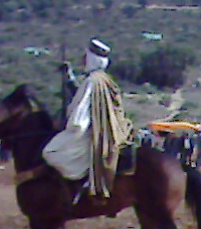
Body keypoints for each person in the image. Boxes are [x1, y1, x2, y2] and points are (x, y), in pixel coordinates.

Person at [42, 38, 135, 200]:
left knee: (51, 152)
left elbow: (80, 114)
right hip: (110, 127)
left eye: (85, 57)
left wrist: (67, 123)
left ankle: (79, 187)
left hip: (95, 129)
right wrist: (70, 78)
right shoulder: (104, 79)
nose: (83, 60)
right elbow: (85, 97)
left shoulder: (93, 81)